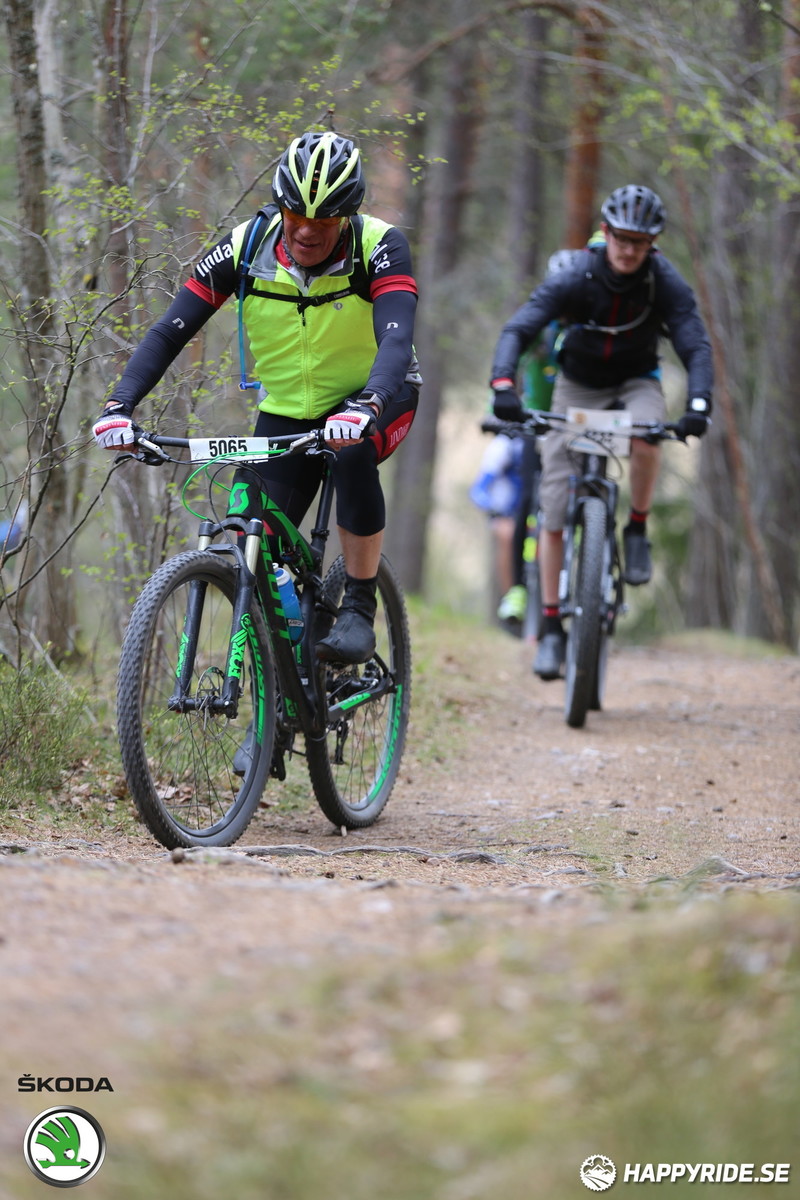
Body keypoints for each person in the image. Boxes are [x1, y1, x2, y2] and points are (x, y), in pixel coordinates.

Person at [92, 130, 421, 664]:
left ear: (347, 216)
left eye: (325, 219)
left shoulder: (379, 246)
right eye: (296, 215)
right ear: (280, 206)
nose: (308, 230)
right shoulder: (245, 247)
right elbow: (170, 330)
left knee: (351, 449)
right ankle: (273, 707)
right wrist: (119, 406)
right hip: (287, 412)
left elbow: (397, 338)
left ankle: (360, 605)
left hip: (376, 397)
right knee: (250, 536)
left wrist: (368, 405)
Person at [489, 184, 713, 680]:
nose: (629, 249)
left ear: (652, 243)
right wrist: (503, 384)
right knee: (551, 506)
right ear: (605, 233)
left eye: (640, 241)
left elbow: (694, 344)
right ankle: (550, 628)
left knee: (648, 432)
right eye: (621, 238)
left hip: (637, 382)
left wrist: (699, 403)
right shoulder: (577, 276)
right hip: (578, 386)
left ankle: (635, 527)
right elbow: (520, 328)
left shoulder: (663, 281)